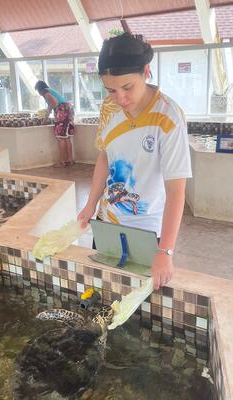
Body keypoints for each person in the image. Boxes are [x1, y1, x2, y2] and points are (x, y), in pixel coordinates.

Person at [77, 33, 192, 290]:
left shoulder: (168, 117)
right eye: (111, 90)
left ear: (146, 72)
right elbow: (104, 156)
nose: (120, 99)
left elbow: (176, 191)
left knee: (139, 299)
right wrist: (90, 204)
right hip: (107, 222)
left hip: (146, 230)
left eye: (127, 87)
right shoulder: (109, 108)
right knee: (102, 292)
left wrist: (165, 251)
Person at [35, 80, 75, 167]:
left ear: (39, 89)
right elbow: (51, 104)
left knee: (61, 138)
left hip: (62, 111)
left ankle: (62, 161)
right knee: (67, 138)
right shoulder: (50, 90)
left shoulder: (45, 92)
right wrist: (46, 117)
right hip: (68, 109)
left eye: (37, 90)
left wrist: (46, 118)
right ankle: (70, 159)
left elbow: (54, 103)